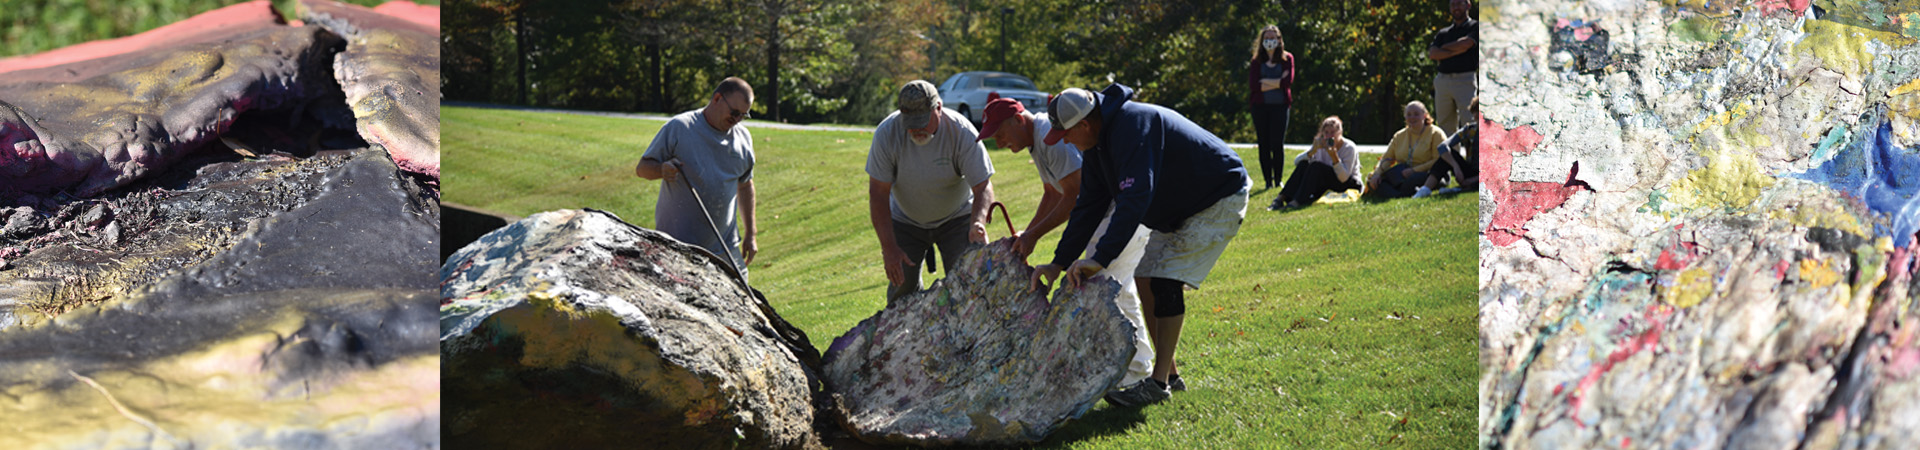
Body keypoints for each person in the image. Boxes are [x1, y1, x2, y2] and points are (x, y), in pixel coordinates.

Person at [1031, 85, 1251, 407]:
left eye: (1065, 133)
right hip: (1181, 205)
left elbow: (1134, 200)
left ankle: (1158, 385)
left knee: (1164, 280)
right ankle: (1170, 376)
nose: (1064, 140)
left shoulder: (1131, 128)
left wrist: (1101, 258)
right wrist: (1058, 262)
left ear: (1085, 124)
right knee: (1147, 279)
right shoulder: (1096, 145)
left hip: (1218, 195)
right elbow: (1089, 206)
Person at [976, 94, 1157, 388]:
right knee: (1117, 288)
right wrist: (1029, 234)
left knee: (1108, 287)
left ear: (1018, 120)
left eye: (1000, 134)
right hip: (1100, 217)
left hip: (1114, 213)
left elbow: (1074, 196)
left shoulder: (1051, 136)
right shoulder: (1036, 141)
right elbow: (1052, 193)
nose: (999, 143)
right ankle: (1139, 369)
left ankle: (1135, 374)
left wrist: (1035, 235)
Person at [867, 80, 997, 302]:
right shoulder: (887, 134)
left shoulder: (961, 131)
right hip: (905, 221)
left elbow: (983, 185)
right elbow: (878, 194)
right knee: (901, 292)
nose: (917, 129)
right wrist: (889, 248)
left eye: (922, 121)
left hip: (956, 219)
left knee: (967, 285)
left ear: (939, 108)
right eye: (911, 122)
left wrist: (978, 222)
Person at [635, 77, 758, 277]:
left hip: (725, 248)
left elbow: (745, 185)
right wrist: (661, 170)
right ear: (717, 98)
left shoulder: (743, 138)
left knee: (741, 299)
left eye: (743, 115)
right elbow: (642, 168)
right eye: (734, 113)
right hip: (677, 247)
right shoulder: (680, 127)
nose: (737, 120)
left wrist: (751, 234)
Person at [1270, 116, 1361, 210]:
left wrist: (1335, 157)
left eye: (1333, 133)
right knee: (1304, 164)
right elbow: (1297, 162)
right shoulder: (1321, 144)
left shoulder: (1349, 148)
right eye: (1326, 132)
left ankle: (1297, 201)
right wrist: (1312, 152)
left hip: (1348, 184)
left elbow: (1344, 178)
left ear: (1340, 133)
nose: (1329, 136)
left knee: (1316, 166)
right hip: (1327, 183)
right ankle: (1281, 198)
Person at [1366, 101, 1449, 199]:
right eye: (1408, 114)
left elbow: (1439, 160)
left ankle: (1397, 193)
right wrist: (1377, 174)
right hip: (1403, 174)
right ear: (1405, 117)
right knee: (1374, 180)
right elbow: (1387, 158)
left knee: (1412, 180)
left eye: (1416, 114)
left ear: (1424, 115)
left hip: (1430, 174)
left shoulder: (1436, 133)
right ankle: (1400, 193)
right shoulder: (1399, 136)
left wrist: (1414, 170)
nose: (1412, 117)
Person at [1248, 24, 1295, 190]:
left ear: (1279, 40)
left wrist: (1265, 81)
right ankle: (1267, 181)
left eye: (1272, 38)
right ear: (1262, 41)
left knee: (1277, 144)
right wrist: (1276, 82)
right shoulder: (1256, 61)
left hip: (1280, 107)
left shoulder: (1287, 58)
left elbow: (1287, 82)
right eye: (1266, 38)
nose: (1269, 41)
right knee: (1264, 144)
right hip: (1260, 108)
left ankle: (1278, 180)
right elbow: (1254, 85)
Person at [1427, 0, 1478, 133]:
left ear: (1468, 5)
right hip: (1443, 80)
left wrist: (1444, 48)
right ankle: (1450, 154)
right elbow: (1433, 54)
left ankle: (1471, 154)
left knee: (1469, 121)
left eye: (1459, 3)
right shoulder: (1443, 32)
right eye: (1452, 4)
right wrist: (1457, 49)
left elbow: (1466, 44)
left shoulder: (1475, 26)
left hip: (1465, 79)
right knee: (1444, 124)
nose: (1456, 7)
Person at [1434, 97, 1480, 194]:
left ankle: (1462, 188)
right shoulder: (1469, 130)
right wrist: (1456, 167)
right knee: (1447, 155)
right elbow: (1442, 147)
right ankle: (1425, 189)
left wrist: (1473, 180)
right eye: (1476, 111)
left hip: (1486, 176)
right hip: (1472, 171)